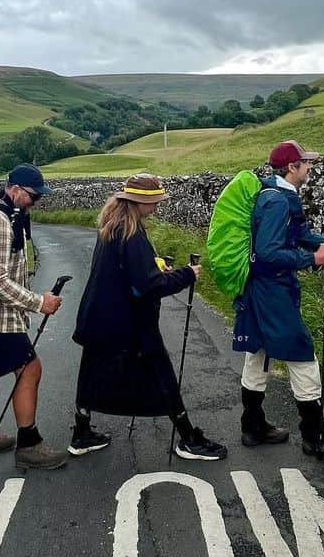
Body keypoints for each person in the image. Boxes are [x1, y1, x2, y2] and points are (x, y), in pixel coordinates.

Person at [71, 173, 228, 461]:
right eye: (154, 201)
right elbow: (146, 286)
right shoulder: (132, 234)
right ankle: (188, 439)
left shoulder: (112, 226)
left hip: (99, 317)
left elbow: (130, 274)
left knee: (92, 372)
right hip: (128, 323)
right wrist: (185, 275)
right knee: (161, 372)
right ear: (140, 201)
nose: (157, 206)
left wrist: (155, 268)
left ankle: (81, 433)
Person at [233, 140, 324, 457]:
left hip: (257, 291)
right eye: (306, 163)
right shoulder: (278, 203)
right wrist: (312, 261)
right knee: (302, 356)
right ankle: (316, 437)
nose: (310, 167)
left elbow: (302, 237)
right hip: (272, 291)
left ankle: (252, 427)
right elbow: (266, 253)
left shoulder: (275, 195)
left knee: (258, 353)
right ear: (292, 168)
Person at [0, 162, 67, 470]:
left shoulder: (3, 213)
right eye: (34, 196)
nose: (37, 202)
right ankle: (29, 445)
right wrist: (38, 302)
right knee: (30, 369)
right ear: (15, 190)